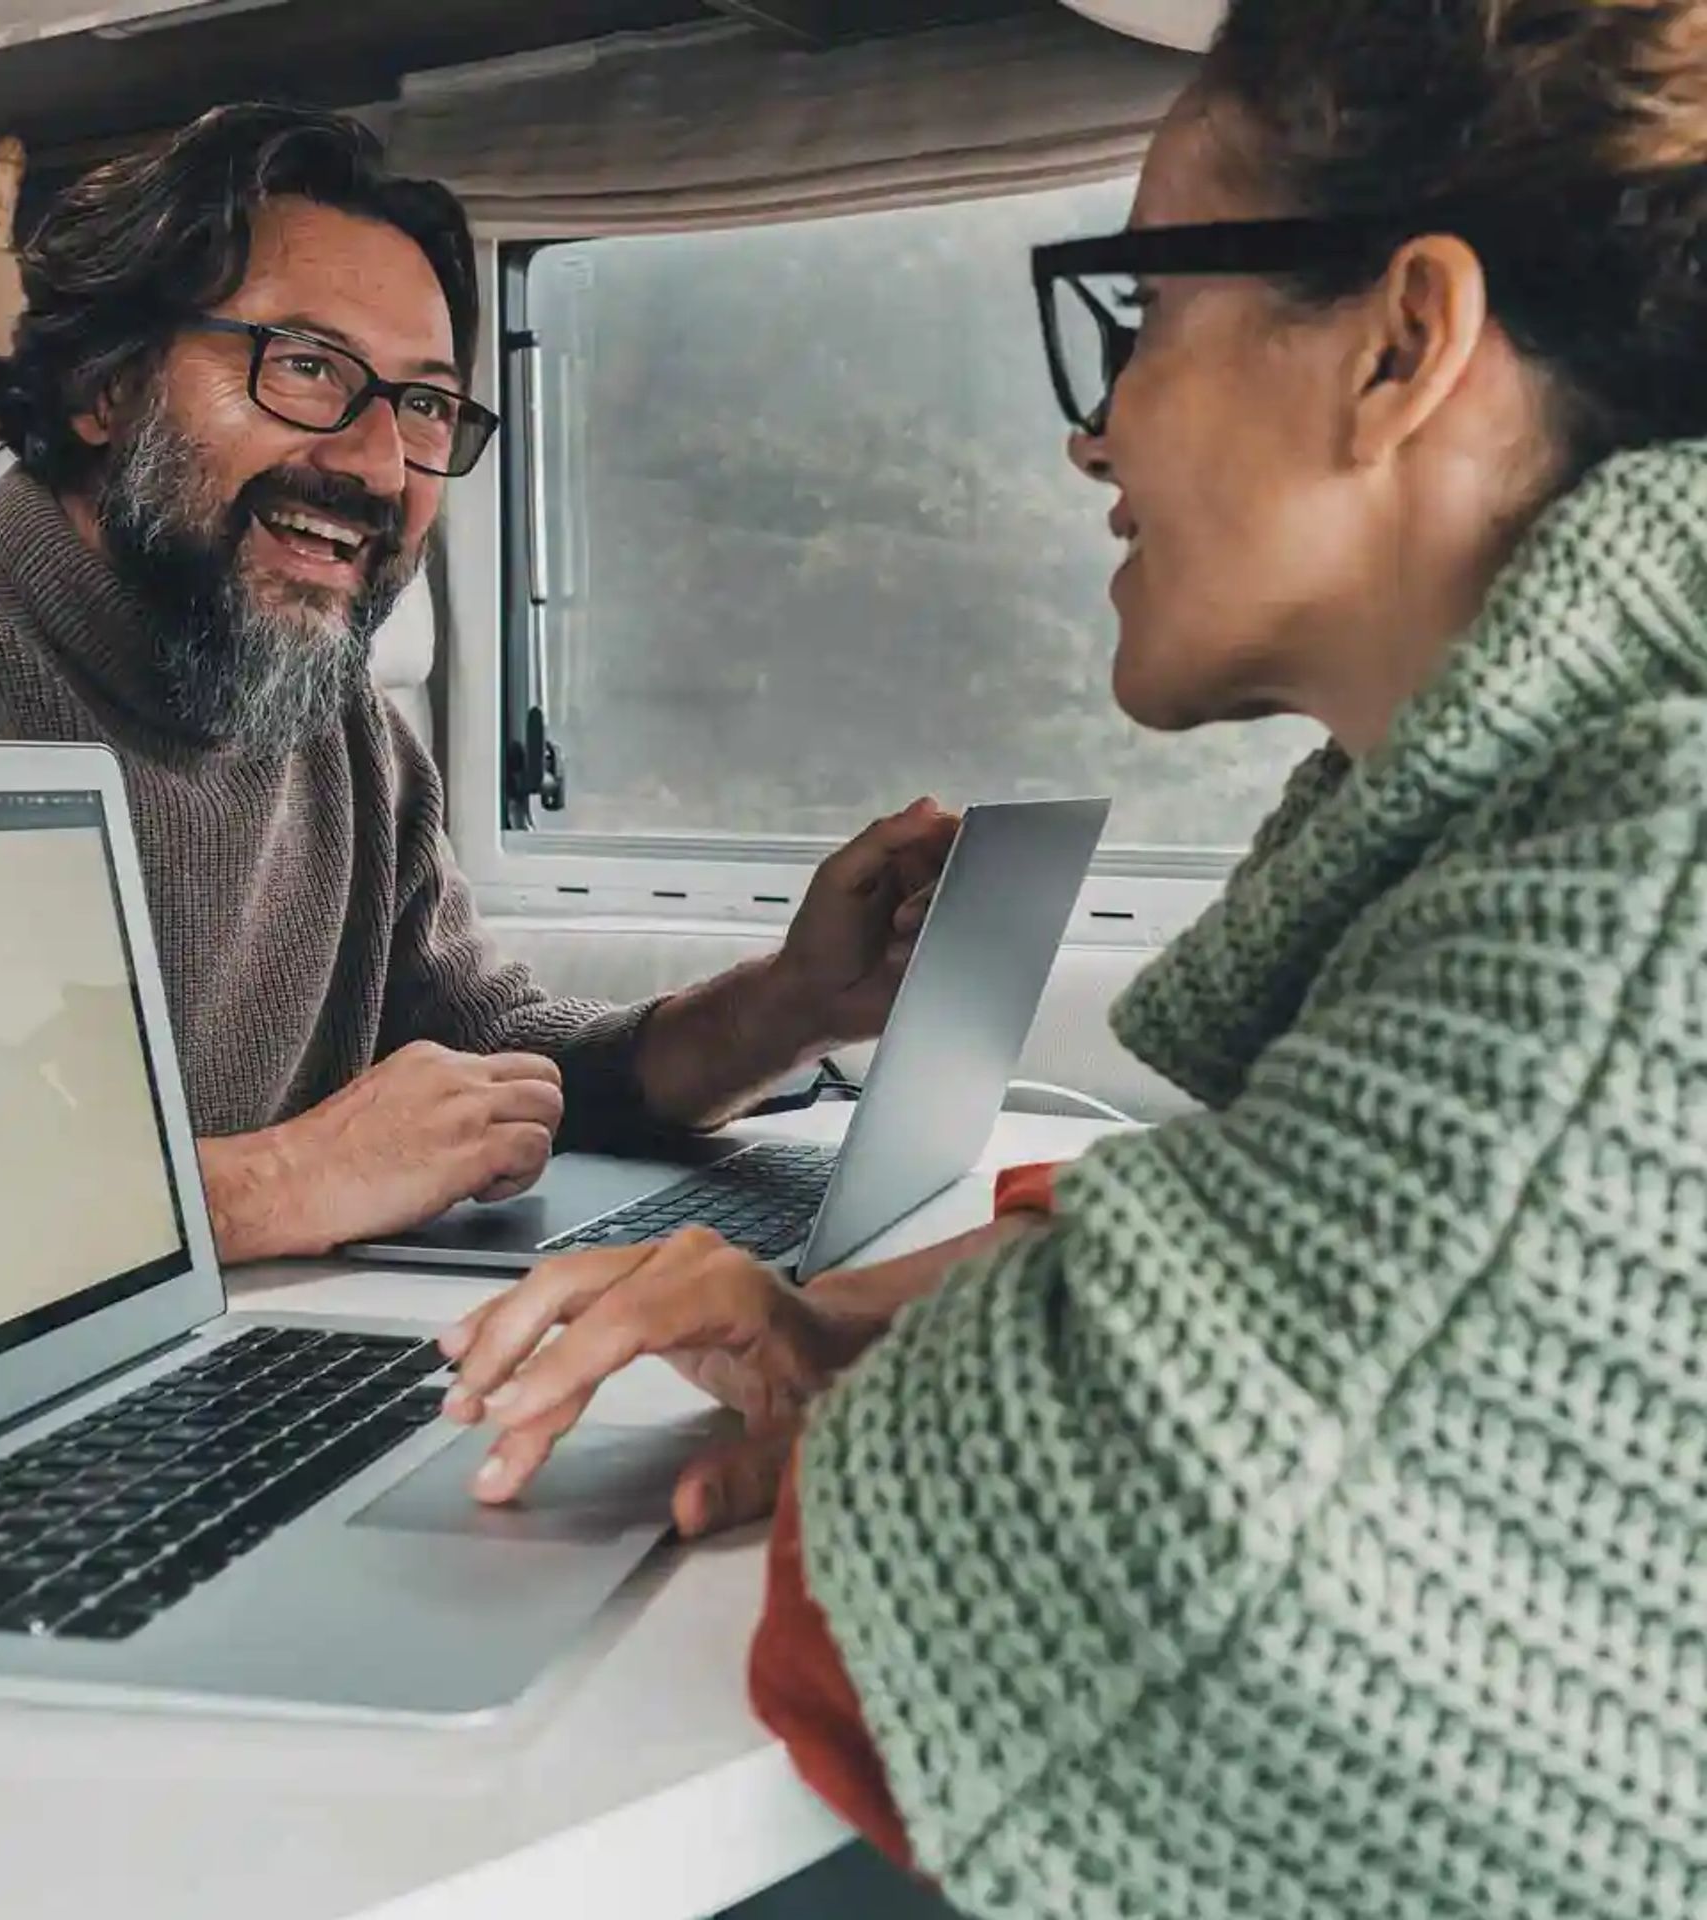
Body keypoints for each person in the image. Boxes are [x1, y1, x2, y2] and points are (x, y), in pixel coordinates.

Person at [441, 2, 1707, 1913]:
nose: (1091, 423)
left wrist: (839, 1378)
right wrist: (835, 1340)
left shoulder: (1638, 898)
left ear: (1401, 344)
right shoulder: (1538, 834)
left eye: (1143, 321)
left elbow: (1049, 1595)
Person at [0, 105, 955, 1267]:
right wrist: (294, 1178)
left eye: (427, 405)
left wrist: (794, 1004)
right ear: (106, 384)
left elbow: (504, 1052)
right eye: (304, 367)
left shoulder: (341, 727)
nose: (379, 465)